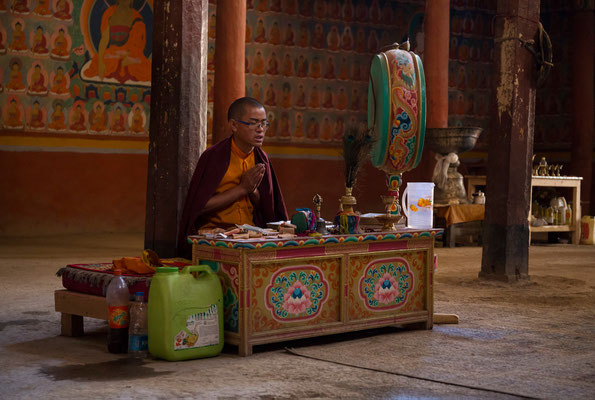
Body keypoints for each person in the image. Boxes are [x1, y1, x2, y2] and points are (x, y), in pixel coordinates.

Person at [177, 97, 287, 257]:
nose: (260, 129)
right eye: (254, 123)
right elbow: (199, 206)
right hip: (216, 233)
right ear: (234, 125)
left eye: (264, 123)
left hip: (250, 234)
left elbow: (268, 208)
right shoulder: (215, 157)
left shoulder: (261, 159)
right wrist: (242, 189)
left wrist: (253, 192)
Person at [83, 0, 150, 83]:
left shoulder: (137, 17)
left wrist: (127, 55)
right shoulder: (109, 13)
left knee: (144, 66)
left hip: (131, 56)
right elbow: (104, 40)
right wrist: (100, 63)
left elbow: (139, 47)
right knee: (98, 61)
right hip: (112, 54)